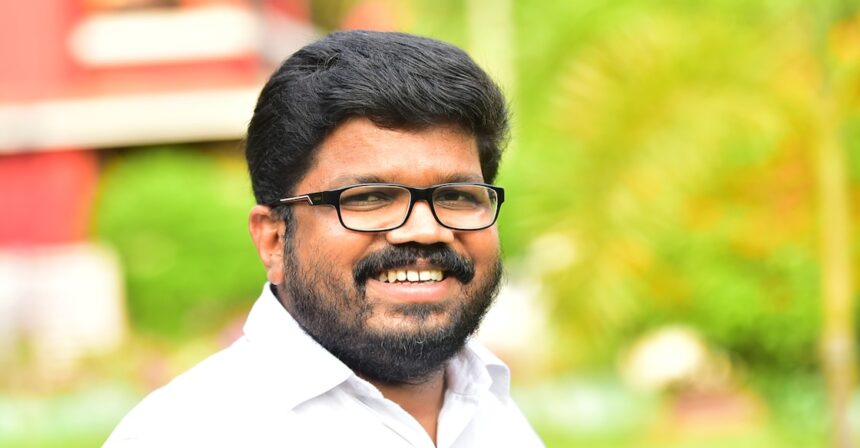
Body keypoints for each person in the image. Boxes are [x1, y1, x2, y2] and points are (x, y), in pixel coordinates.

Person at [104, 30, 543, 447]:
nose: (427, 230)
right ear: (273, 240)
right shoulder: (182, 435)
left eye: (457, 196)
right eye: (369, 198)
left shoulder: (495, 412)